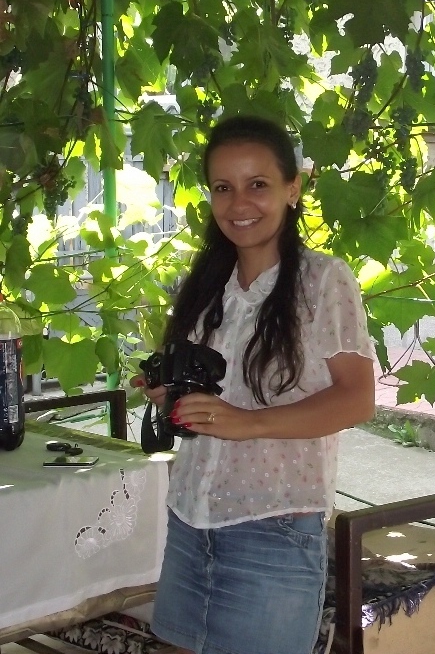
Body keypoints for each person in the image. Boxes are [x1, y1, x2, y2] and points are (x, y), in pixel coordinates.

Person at [137, 114, 376, 654]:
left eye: (258, 184)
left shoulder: (323, 279)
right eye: (223, 187)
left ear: (293, 188)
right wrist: (172, 395)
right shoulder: (205, 284)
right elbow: (211, 397)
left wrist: (248, 424)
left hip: (273, 526)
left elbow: (357, 398)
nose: (238, 203)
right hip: (189, 515)